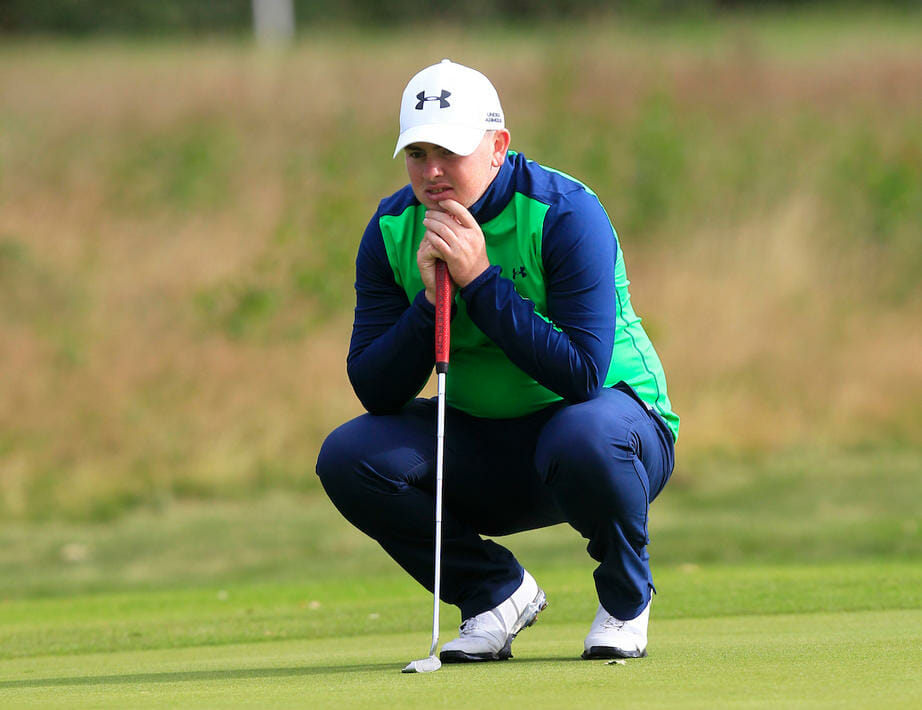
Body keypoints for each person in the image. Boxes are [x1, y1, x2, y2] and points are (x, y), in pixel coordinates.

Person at [316, 59, 679, 662]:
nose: (432, 171)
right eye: (417, 154)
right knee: (349, 456)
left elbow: (582, 375)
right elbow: (376, 390)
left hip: (612, 439)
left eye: (449, 152)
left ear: (497, 147)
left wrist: (481, 282)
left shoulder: (564, 213)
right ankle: (494, 594)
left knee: (582, 435)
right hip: (487, 446)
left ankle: (625, 600)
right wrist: (430, 304)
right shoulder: (392, 230)